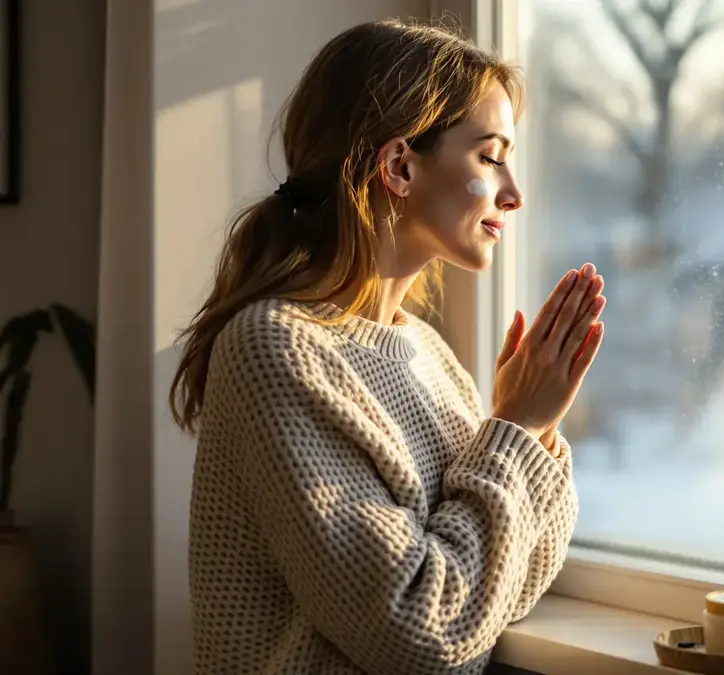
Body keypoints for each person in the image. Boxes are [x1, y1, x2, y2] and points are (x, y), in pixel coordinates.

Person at [169, 20, 605, 675]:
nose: (514, 194)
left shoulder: (424, 353)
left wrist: (535, 429)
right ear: (400, 165)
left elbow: (513, 583)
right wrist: (513, 426)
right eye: (490, 157)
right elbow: (421, 635)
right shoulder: (275, 348)